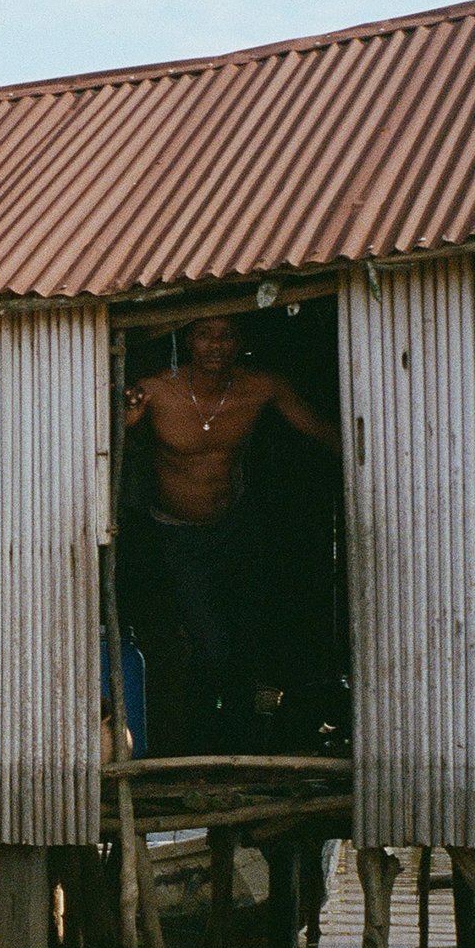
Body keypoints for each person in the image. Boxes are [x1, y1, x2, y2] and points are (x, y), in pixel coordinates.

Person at [124, 315, 338, 750]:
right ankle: (201, 747)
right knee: (210, 645)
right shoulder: (156, 391)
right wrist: (125, 412)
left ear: (242, 340)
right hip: (178, 535)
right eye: (204, 334)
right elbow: (102, 440)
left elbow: (325, 433)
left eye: (227, 334)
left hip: (236, 527)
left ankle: (243, 744)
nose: (215, 345)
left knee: (246, 639)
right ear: (187, 340)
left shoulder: (261, 388)